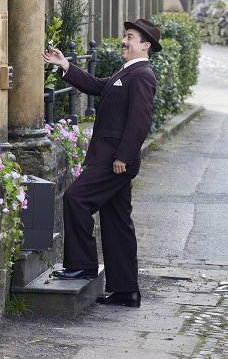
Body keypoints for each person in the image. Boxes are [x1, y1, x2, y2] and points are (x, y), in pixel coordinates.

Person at [41, 18, 161, 308]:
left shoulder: (142, 75)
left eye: (130, 37)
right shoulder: (127, 72)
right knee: (117, 222)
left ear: (145, 45)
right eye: (125, 36)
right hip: (109, 158)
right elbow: (98, 85)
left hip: (113, 161)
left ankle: (82, 264)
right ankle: (126, 291)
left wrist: (124, 155)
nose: (124, 40)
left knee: (76, 198)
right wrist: (65, 65)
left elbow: (140, 121)